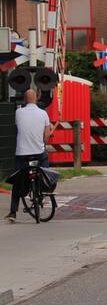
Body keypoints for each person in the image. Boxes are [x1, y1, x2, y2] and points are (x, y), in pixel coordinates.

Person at [6, 90, 54, 223]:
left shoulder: (18, 112)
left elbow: (19, 128)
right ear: (37, 98)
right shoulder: (43, 113)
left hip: (22, 154)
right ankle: (44, 189)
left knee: (17, 181)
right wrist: (45, 140)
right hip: (38, 153)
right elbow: (46, 137)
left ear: (25, 99)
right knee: (46, 171)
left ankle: (13, 212)